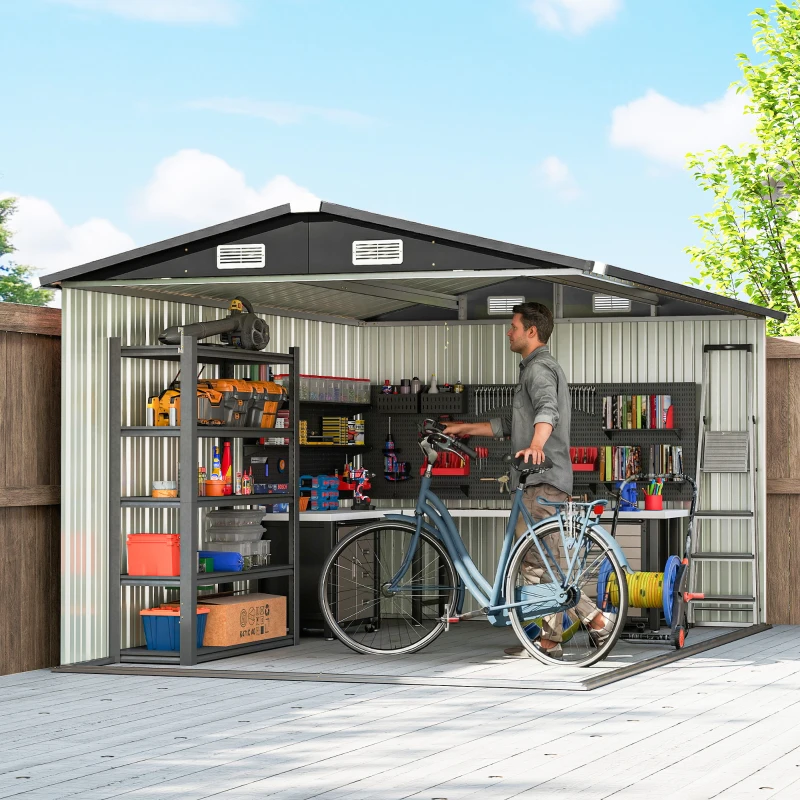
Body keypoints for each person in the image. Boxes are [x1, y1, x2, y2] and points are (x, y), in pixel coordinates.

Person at [443, 302, 613, 659]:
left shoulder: (539, 369)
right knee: (539, 563)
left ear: (531, 331)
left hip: (543, 480)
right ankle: (551, 643)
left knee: (539, 564)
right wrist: (463, 428)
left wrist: (536, 445)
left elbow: (547, 409)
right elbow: (508, 423)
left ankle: (597, 621)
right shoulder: (534, 370)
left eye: (513, 326)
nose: (509, 332)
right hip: (541, 481)